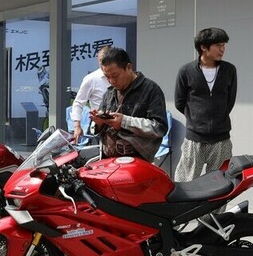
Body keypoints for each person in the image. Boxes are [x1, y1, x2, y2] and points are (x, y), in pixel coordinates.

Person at [173, 28, 237, 182]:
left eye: (224, 45)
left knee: (220, 183)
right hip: (194, 138)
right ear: (203, 47)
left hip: (221, 138)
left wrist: (219, 118)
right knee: (186, 181)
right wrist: (195, 118)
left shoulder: (229, 70)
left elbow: (230, 101)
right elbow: (179, 102)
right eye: (218, 45)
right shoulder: (186, 71)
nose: (222, 49)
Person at [90, 47, 167, 163]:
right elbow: (96, 126)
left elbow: (159, 128)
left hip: (136, 162)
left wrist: (124, 122)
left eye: (115, 76)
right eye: (107, 77)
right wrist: (98, 123)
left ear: (129, 67)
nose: (111, 81)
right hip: (108, 160)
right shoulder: (109, 92)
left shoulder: (151, 90)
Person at [71, 45, 111, 144]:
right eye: (101, 60)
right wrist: (77, 126)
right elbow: (78, 103)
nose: (103, 63)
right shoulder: (91, 79)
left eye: (106, 59)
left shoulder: (121, 77)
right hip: (99, 125)